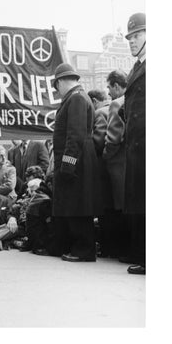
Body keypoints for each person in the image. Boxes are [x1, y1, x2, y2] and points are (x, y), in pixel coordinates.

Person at [51, 63, 100, 263]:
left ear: (61, 81)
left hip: (77, 161)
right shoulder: (77, 97)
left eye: (57, 87)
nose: (58, 91)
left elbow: (76, 136)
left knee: (78, 205)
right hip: (79, 159)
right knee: (76, 204)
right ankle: (80, 247)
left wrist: (68, 165)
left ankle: (84, 249)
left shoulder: (76, 99)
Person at [122, 13, 146, 275]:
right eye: (130, 37)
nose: (132, 40)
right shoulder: (138, 66)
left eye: (137, 35)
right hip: (137, 143)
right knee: (140, 202)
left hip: (148, 144)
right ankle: (143, 255)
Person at [103, 70, 130, 259]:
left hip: (118, 164)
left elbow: (113, 137)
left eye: (109, 87)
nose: (108, 92)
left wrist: (105, 156)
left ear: (117, 86)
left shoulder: (116, 104)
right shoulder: (136, 99)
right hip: (133, 162)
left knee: (119, 208)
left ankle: (123, 250)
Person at [88, 89, 114, 257]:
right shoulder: (112, 108)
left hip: (102, 168)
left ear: (94, 101)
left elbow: (98, 141)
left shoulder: (99, 113)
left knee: (105, 210)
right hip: (113, 168)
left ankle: (109, 248)